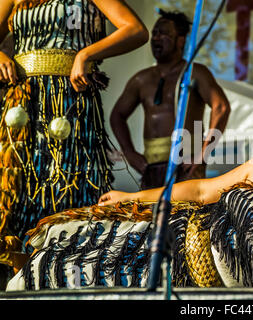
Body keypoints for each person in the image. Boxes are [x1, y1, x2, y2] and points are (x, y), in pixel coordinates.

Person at [6, 102, 253, 290]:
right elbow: (203, 190)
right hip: (167, 236)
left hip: (187, 289)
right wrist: (135, 199)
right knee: (79, 238)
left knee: (92, 278)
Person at [0, 0, 149, 273]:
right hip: (23, 109)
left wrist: (85, 55)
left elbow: (136, 30)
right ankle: (19, 272)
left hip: (70, 105)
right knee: (21, 189)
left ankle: (67, 272)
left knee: (68, 188)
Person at [110, 10, 230, 190]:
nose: (156, 38)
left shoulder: (195, 73)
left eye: (164, 34)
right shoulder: (141, 79)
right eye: (155, 33)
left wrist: (203, 153)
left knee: (185, 217)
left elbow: (220, 107)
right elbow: (117, 115)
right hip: (151, 168)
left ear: (180, 40)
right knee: (151, 216)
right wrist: (129, 153)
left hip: (186, 166)